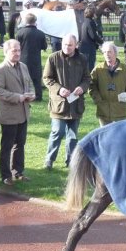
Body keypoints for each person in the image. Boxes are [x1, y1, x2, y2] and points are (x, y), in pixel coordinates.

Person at [43, 33, 90, 169]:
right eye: (65, 44)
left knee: (73, 135)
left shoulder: (82, 59)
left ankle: (70, 161)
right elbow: (47, 78)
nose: (67, 47)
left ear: (76, 46)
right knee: (57, 132)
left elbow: (87, 78)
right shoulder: (53, 58)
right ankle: (49, 160)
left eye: (70, 45)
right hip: (59, 104)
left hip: (76, 104)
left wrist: (82, 88)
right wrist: (59, 89)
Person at [0, 39, 35, 185]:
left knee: (20, 144)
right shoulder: (0, 69)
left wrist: (31, 94)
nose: (17, 53)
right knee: (7, 146)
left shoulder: (23, 66)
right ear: (6, 52)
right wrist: (18, 97)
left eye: (19, 50)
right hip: (9, 115)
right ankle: (6, 175)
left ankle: (18, 171)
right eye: (14, 51)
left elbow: (29, 83)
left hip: (23, 113)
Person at [89, 41, 126, 126]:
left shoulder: (125, 69)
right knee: (105, 137)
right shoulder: (98, 69)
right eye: (105, 52)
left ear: (115, 53)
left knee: (121, 137)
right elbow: (91, 86)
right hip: (103, 111)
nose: (107, 54)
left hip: (120, 111)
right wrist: (98, 100)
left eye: (109, 52)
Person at [16, 12, 48, 102]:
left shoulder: (20, 33)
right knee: (37, 78)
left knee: (22, 78)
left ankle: (23, 95)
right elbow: (44, 46)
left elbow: (17, 46)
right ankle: (38, 96)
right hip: (35, 59)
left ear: (25, 21)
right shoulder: (40, 33)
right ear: (35, 21)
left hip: (23, 58)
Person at [78, 7, 104, 72]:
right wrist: (102, 41)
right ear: (92, 13)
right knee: (90, 67)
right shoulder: (90, 22)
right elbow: (93, 36)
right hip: (89, 49)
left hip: (83, 47)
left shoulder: (85, 22)